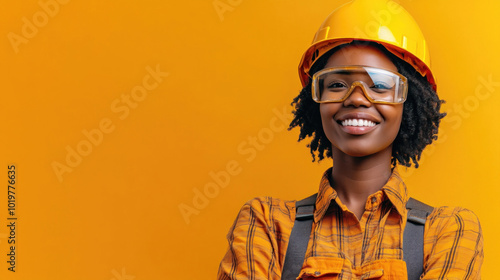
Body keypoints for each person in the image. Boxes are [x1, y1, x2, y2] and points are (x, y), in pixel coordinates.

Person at [217, 0, 484, 279]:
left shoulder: (449, 230)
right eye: (336, 85)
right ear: (315, 99)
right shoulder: (266, 224)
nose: (356, 97)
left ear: (410, 101)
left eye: (379, 86)